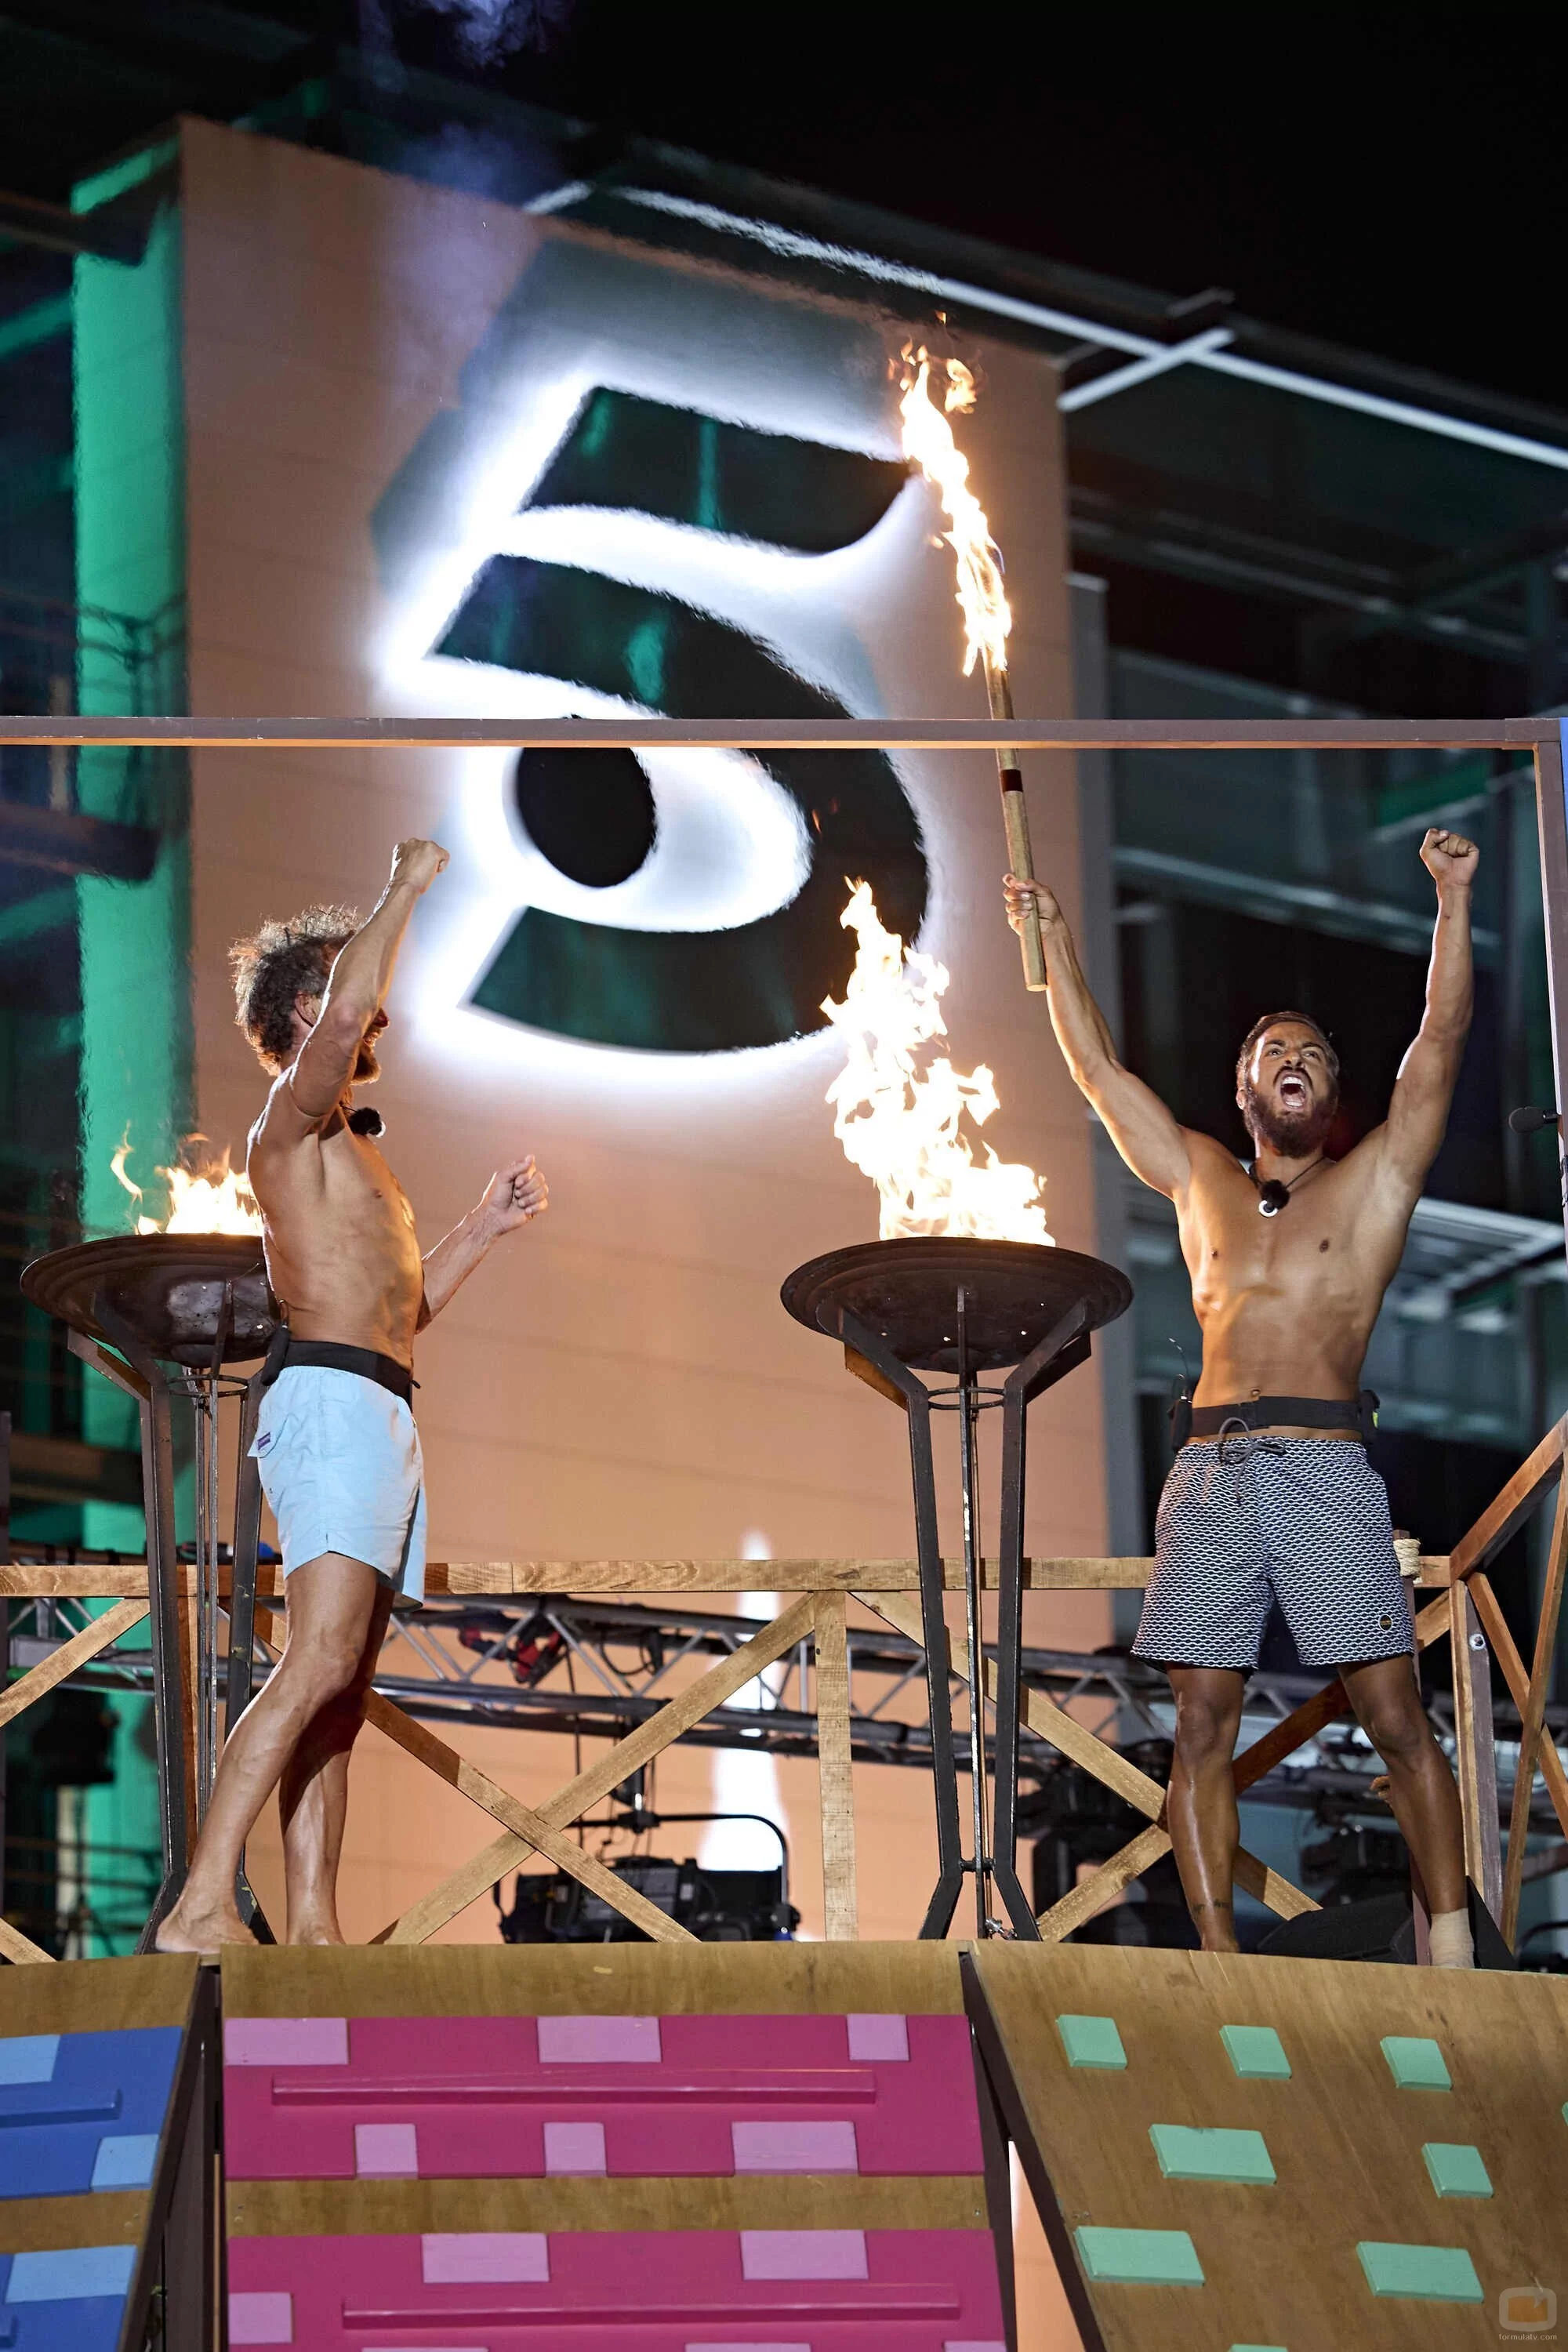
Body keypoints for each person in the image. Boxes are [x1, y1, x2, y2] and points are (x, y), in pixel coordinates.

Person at [1005, 827, 1479, 1967]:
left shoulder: (1373, 1184)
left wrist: (1454, 900)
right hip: (1210, 1472)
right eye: (1274, 1049)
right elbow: (1098, 1074)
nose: (1294, 1058)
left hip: (1323, 1465)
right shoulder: (1201, 1177)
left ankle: (1456, 1948)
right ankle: (1221, 1966)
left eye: (1312, 1050)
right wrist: (1058, 943)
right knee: (1201, 1724)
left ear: (1332, 1090)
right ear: (1247, 1085)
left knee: (1395, 1716)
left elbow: (1438, 1042)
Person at [157, 838, 549, 1951]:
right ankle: (201, 1904)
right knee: (317, 1662)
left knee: (339, 1694)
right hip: (328, 1406)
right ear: (309, 1007)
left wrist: (483, 1226)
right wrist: (402, 887)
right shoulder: (287, 1125)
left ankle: (315, 1930)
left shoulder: (361, 1160)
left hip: (378, 1406)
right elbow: (339, 1024)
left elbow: (403, 1314)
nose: (376, 1013)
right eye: (350, 992)